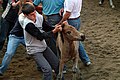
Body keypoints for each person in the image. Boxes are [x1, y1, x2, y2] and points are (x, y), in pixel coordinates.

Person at [21, 3, 63, 80]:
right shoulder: (27, 24)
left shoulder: (39, 17)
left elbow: (47, 27)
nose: (34, 16)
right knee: (47, 70)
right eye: (31, 15)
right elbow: (40, 36)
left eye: (34, 13)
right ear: (25, 15)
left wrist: (56, 27)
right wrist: (54, 31)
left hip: (43, 46)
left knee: (57, 65)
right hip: (34, 49)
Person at [57, 0, 91, 66]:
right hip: (77, 19)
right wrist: (64, 9)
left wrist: (61, 22)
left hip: (71, 21)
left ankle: (82, 58)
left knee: (72, 40)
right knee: (77, 41)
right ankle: (86, 60)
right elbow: (71, 8)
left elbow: (68, 13)